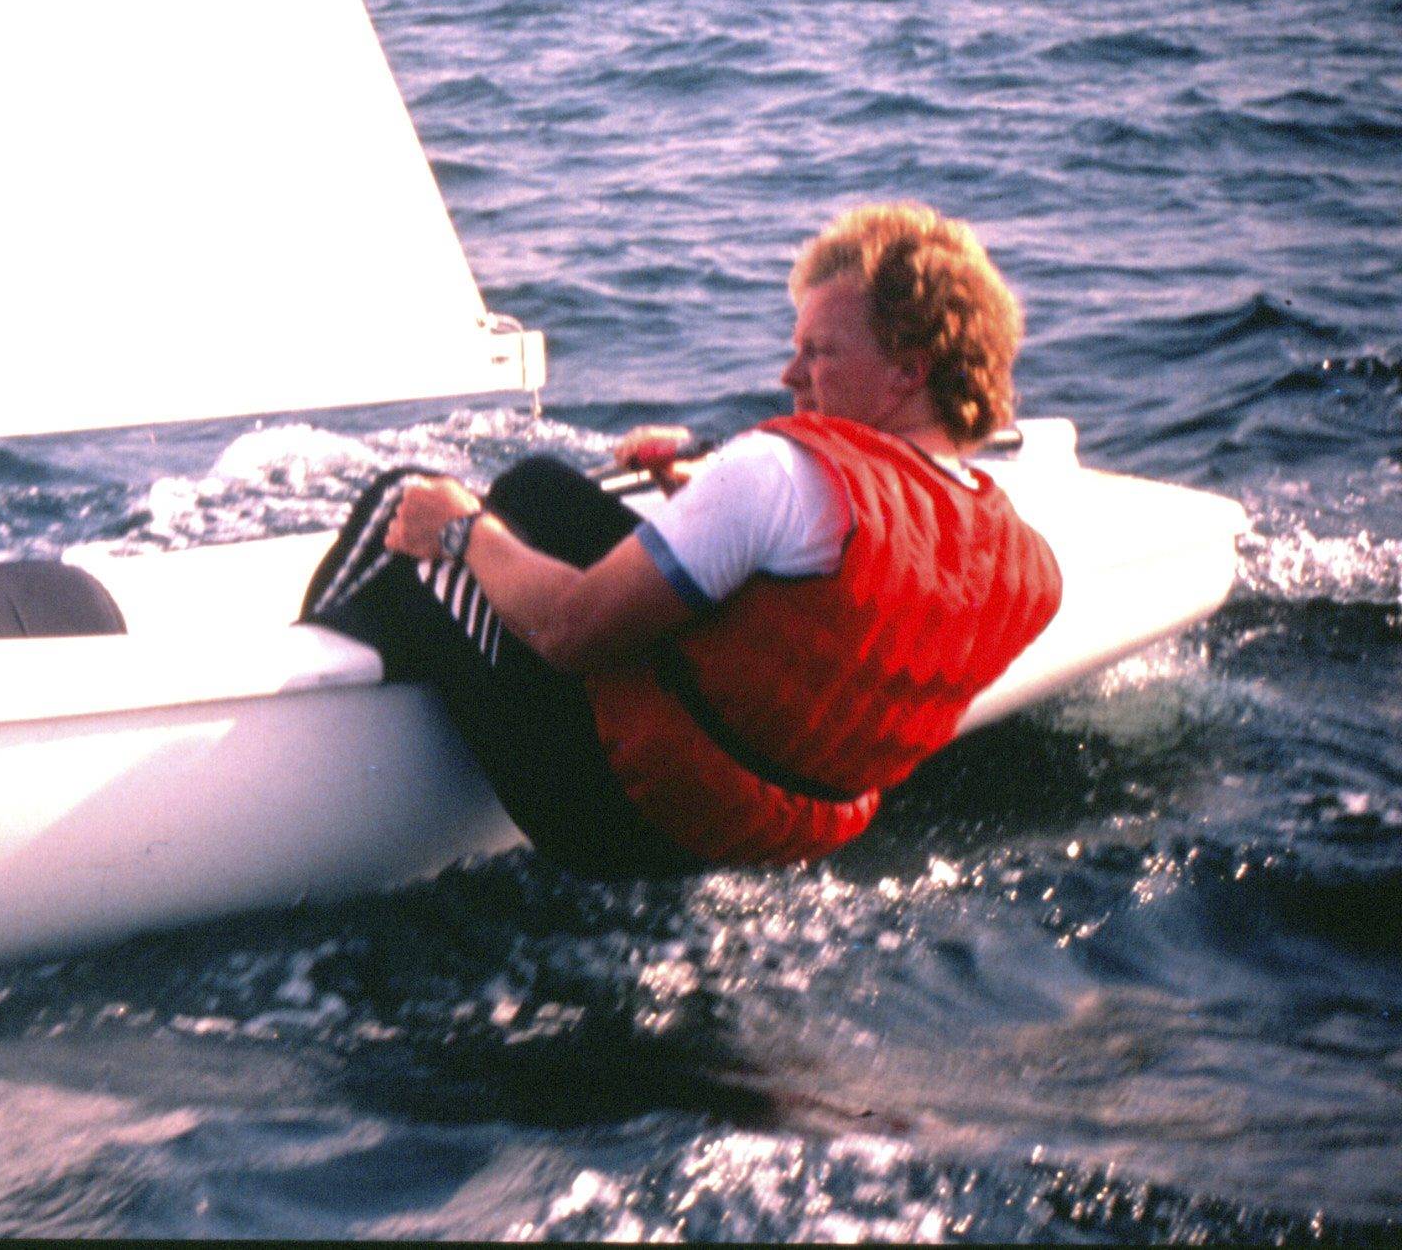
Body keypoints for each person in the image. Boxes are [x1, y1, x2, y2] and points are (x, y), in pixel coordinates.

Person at [301, 202, 1064, 879]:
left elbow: (570, 632)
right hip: (758, 832)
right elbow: (829, 615)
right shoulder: (1024, 564)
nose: (789, 372)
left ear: (906, 371)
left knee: (410, 500)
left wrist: (461, 529)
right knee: (539, 490)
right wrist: (704, 501)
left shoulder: (780, 472)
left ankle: (312, 694)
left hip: (609, 807)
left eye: (820, 353)